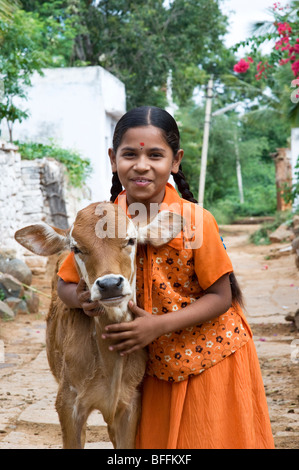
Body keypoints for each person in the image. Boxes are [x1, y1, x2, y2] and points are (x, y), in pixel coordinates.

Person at [57, 106, 275, 449]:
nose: (141, 164)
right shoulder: (101, 220)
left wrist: (156, 326)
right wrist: (81, 299)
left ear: (176, 161)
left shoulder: (195, 220)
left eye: (155, 154)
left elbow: (221, 297)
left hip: (210, 358)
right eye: (130, 154)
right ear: (114, 159)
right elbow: (64, 283)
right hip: (150, 368)